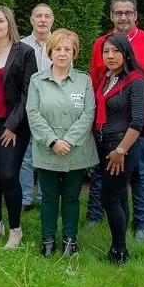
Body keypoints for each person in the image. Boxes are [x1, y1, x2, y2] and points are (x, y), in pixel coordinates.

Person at [85, 0, 144, 241]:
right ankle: (95, 216)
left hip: (138, 119)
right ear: (111, 16)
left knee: (139, 171)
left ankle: (141, 224)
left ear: (136, 15)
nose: (123, 17)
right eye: (118, 13)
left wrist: (137, 108)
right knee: (102, 170)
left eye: (128, 12)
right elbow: (96, 77)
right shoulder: (101, 43)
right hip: (106, 118)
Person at [25, 29, 98, 258]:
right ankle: (47, 241)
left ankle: (69, 241)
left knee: (71, 198)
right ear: (50, 53)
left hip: (76, 150)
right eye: (58, 49)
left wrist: (68, 141)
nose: (62, 53)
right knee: (48, 198)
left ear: (74, 53)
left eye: (68, 49)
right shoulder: (37, 81)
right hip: (48, 149)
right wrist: (53, 141)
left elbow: (89, 114)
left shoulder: (84, 81)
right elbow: (33, 113)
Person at [0, 5, 38, 249]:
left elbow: (28, 93)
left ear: (9, 23)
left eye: (0, 21)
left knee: (8, 176)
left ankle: (15, 230)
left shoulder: (25, 52)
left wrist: (12, 126)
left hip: (14, 125)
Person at [94, 33, 144, 264]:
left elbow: (138, 121)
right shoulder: (107, 78)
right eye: (106, 51)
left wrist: (120, 151)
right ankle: (121, 245)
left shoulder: (136, 81)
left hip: (121, 147)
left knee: (109, 199)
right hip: (104, 144)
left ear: (126, 52)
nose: (110, 56)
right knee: (119, 197)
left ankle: (119, 251)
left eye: (116, 51)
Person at [19, 3, 55, 211]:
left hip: (52, 109)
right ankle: (25, 199)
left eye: (47, 16)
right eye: (38, 16)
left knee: (47, 153)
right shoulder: (21, 45)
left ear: (52, 20)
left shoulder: (60, 43)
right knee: (26, 155)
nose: (42, 20)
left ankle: (44, 197)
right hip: (28, 107)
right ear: (31, 20)